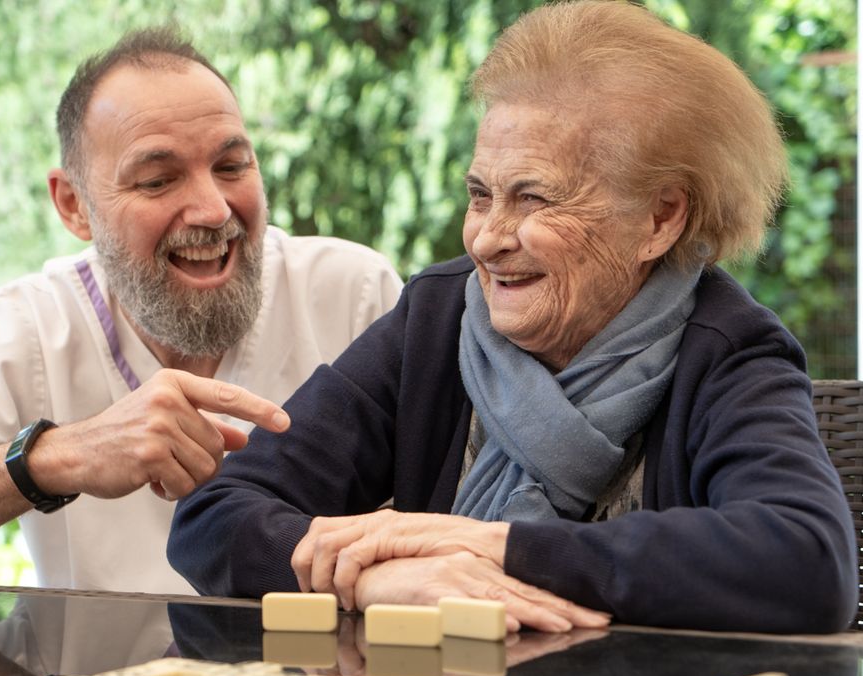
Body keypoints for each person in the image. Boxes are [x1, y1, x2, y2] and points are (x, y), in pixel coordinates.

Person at [169, 0, 858, 634]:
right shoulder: (435, 322)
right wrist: (381, 579)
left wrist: (487, 544)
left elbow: (807, 564)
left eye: (533, 199)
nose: (487, 239)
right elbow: (213, 519)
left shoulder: (729, 351)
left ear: (660, 217)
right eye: (480, 194)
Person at [0, 26, 402, 593]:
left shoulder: (355, 294)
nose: (213, 210)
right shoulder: (22, 334)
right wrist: (54, 458)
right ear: (74, 205)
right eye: (158, 180)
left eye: (231, 165)